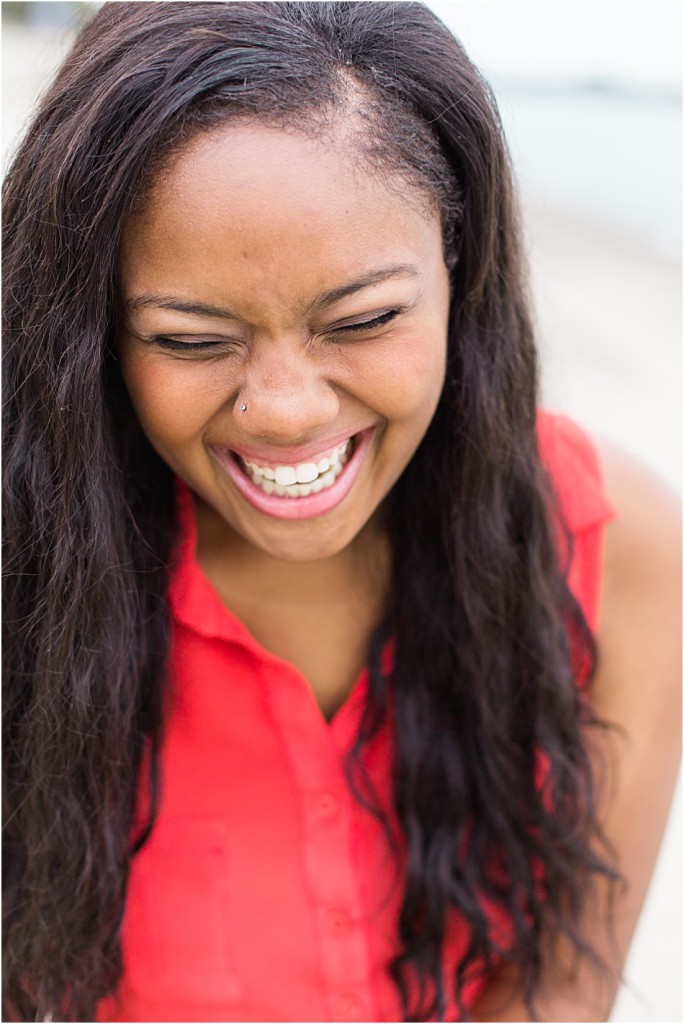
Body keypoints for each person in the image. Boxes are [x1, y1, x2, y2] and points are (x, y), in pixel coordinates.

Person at [2, 2, 680, 1021]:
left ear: (461, 269)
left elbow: (562, 990)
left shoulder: (619, 543)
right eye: (189, 338)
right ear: (92, 335)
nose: (286, 411)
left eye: (364, 319)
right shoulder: (24, 564)